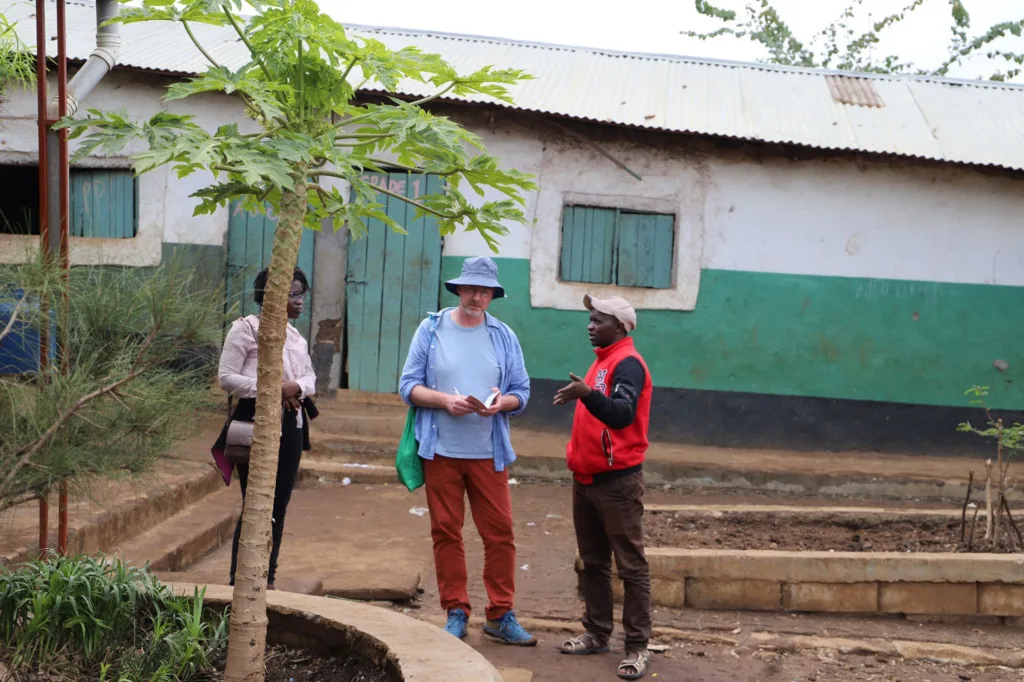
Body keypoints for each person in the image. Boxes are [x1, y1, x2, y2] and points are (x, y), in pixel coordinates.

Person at [398, 256, 536, 646]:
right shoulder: (431, 329)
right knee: (446, 531)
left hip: (487, 451)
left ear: (493, 294)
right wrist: (444, 400)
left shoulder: (503, 335)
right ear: (458, 289)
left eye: (485, 290)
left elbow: (521, 393)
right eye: (471, 288)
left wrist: (500, 404)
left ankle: (501, 614)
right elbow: (408, 386)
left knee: (500, 533)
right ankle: (455, 610)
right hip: (440, 449)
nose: (477, 296)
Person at [553, 293, 653, 680]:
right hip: (586, 479)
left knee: (630, 566)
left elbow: (623, 415)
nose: (590, 326)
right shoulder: (602, 361)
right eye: (590, 319)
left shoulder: (628, 364)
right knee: (593, 561)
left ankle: (638, 646)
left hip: (617, 484)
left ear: (621, 327)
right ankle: (596, 632)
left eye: (598, 320)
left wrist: (588, 395)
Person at [212, 267, 317, 590]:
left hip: (293, 426)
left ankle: (267, 579)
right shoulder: (246, 330)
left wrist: (295, 387)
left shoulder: (296, 338)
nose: (300, 301)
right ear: (271, 295)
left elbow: (310, 379)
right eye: (294, 294)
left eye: (302, 295)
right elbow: (226, 377)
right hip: (255, 425)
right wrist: (271, 388)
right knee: (257, 502)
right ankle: (239, 580)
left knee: (279, 504)